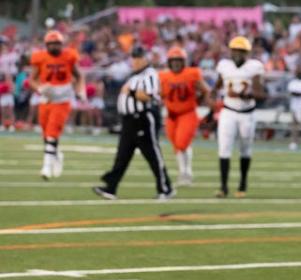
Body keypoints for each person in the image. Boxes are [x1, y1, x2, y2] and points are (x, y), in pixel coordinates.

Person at [94, 46, 173, 200]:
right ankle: (111, 188)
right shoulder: (135, 76)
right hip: (129, 120)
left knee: (152, 155)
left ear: (145, 59)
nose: (135, 61)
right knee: (122, 156)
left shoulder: (149, 74)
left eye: (138, 58)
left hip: (142, 118)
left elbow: (149, 96)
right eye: (134, 58)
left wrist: (130, 92)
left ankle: (165, 188)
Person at [212, 36, 265, 198]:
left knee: (245, 149)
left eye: (241, 51)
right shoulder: (224, 65)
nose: (237, 54)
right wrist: (211, 96)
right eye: (235, 50)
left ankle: (242, 183)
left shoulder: (253, 67)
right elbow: (218, 85)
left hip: (247, 114)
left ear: (247, 53)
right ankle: (223, 186)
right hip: (228, 111)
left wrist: (245, 95)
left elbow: (259, 93)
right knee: (224, 148)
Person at [29, 30, 85, 180]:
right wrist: (39, 89)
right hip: (46, 98)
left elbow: (79, 76)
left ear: (62, 44)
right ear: (46, 45)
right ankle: (56, 154)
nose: (54, 47)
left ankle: (46, 166)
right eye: (51, 44)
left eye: (57, 44)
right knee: (46, 133)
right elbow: (32, 80)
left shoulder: (69, 56)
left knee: (52, 131)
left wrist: (80, 91)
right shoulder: (39, 57)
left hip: (62, 98)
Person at [158, 47, 209, 186]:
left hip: (187, 113)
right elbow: (159, 94)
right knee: (176, 146)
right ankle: (183, 172)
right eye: (173, 61)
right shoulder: (163, 76)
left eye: (178, 60)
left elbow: (205, 90)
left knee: (182, 143)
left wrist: (199, 101)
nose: (176, 64)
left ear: (184, 61)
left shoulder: (192, 73)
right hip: (171, 115)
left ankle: (187, 172)